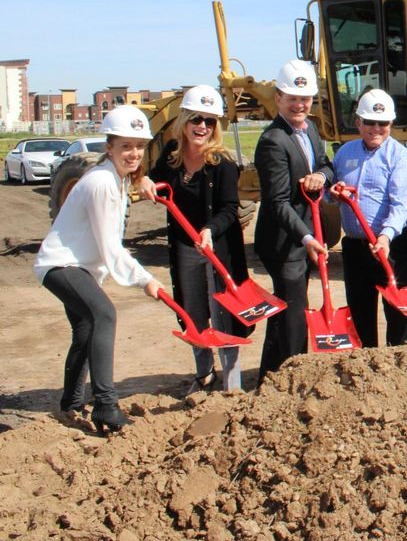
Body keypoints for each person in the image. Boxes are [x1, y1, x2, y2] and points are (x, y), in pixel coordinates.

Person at [34, 105, 165, 433]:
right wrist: (146, 280)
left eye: (139, 146)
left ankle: (71, 402)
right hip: (61, 265)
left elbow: (134, 177)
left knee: (86, 328)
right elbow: (111, 249)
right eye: (126, 146)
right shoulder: (103, 183)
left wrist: (141, 177)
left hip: (78, 268)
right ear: (110, 146)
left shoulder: (116, 177)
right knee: (104, 315)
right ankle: (106, 405)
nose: (134, 153)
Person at [144, 85, 251, 393]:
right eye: (196, 119)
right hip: (184, 248)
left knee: (223, 314)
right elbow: (154, 176)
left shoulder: (223, 164)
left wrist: (210, 230)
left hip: (216, 249)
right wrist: (148, 181)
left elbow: (230, 208)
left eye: (209, 121)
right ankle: (204, 375)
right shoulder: (172, 155)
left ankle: (232, 383)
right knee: (192, 311)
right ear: (185, 121)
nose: (202, 127)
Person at [254, 59, 334, 378]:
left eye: (305, 99)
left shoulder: (310, 128)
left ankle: (269, 376)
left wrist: (321, 177)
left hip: (305, 236)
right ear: (278, 99)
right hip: (285, 243)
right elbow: (276, 203)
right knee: (294, 315)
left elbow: (327, 165)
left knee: (286, 310)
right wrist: (307, 237)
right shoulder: (273, 141)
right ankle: (291, 375)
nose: (300, 105)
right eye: (293, 98)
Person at [331, 89, 407, 347]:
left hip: (389, 245)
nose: (376, 128)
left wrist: (385, 236)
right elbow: (332, 190)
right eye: (369, 122)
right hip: (355, 246)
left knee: (397, 310)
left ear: (391, 124)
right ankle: (365, 366)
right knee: (360, 309)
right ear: (358, 122)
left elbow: (401, 205)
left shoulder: (398, 156)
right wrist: (332, 193)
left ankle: (402, 361)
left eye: (383, 123)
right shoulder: (345, 153)